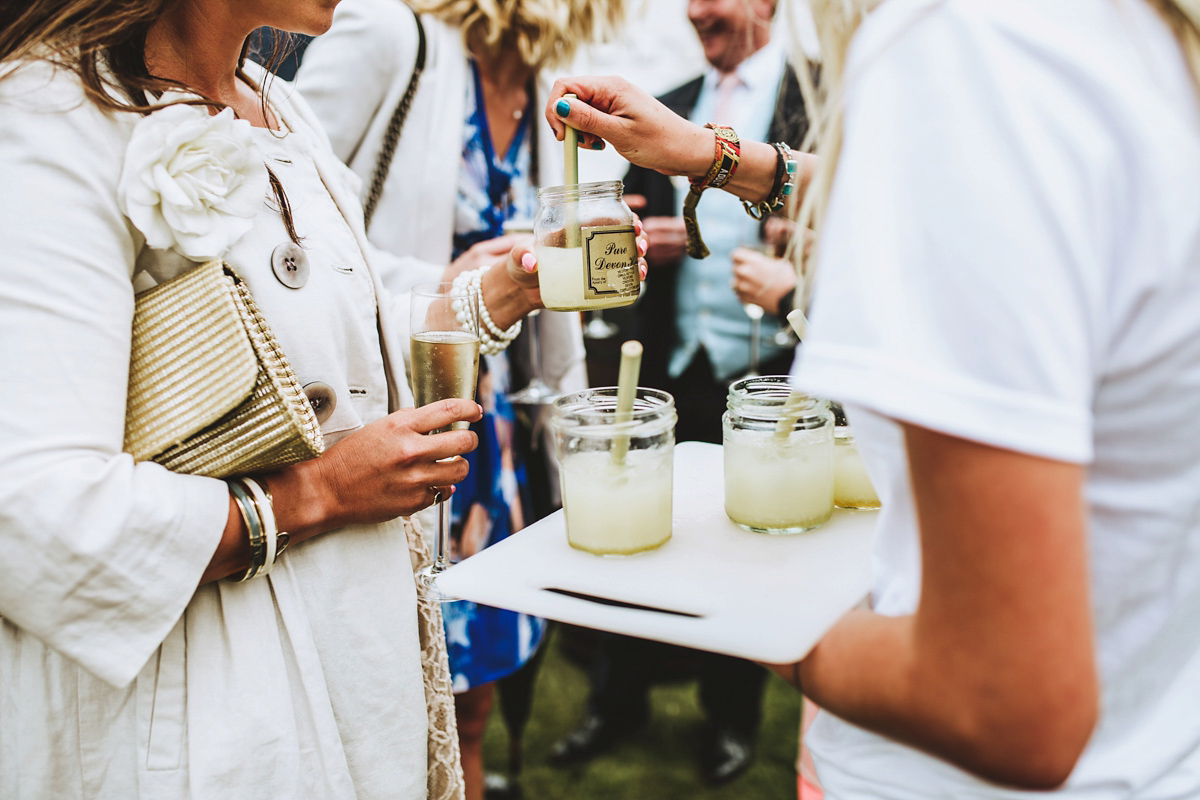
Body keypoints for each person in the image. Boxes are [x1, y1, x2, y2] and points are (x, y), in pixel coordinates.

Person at [545, 0, 1200, 796]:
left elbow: (1000, 699)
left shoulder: (965, 39)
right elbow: (950, 182)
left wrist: (739, 607)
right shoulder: (1127, 30)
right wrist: (713, 156)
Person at [0, 2, 644, 798]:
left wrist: (505, 289)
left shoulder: (273, 104)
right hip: (206, 705)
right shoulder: (47, 123)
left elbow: (336, 355)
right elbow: (29, 507)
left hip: (348, 654)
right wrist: (315, 494)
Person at [295, 2, 628, 797]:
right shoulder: (392, 38)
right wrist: (451, 281)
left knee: (470, 697)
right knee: (394, 695)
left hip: (499, 421)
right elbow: (291, 225)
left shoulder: (553, 87)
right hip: (398, 405)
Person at [548, 0, 807, 786]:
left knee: (745, 544)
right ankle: (612, 702)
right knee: (632, 528)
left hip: (766, 377)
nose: (696, 10)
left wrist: (798, 247)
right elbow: (626, 219)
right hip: (664, 363)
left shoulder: (816, 95)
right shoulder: (674, 102)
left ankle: (728, 720)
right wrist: (643, 241)